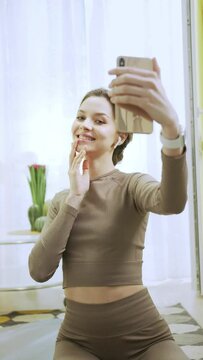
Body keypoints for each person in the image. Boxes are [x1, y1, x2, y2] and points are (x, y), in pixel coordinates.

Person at [28, 58, 188, 360]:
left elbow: (173, 202)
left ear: (120, 136)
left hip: (146, 338)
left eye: (99, 121)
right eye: (80, 117)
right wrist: (75, 198)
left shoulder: (132, 184)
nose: (85, 125)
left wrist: (170, 128)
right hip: (78, 341)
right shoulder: (63, 199)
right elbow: (38, 271)